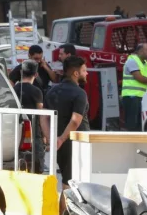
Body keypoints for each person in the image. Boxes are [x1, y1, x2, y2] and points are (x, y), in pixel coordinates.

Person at [45, 56, 90, 188]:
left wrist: (52, 140)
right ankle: (64, 209)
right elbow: (75, 121)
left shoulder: (51, 91)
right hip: (76, 143)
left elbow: (44, 117)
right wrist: (61, 139)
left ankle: (65, 209)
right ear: (76, 73)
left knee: (67, 178)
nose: (86, 73)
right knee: (70, 184)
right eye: (84, 70)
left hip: (61, 144)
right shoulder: (79, 93)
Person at [13, 59, 47, 173]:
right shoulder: (37, 91)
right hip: (34, 133)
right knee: (36, 167)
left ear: (21, 72)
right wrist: (44, 135)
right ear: (36, 74)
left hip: (16, 132)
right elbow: (41, 114)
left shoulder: (13, 90)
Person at [121, 43, 147, 132]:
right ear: (140, 51)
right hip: (131, 97)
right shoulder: (132, 61)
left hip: (141, 97)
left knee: (139, 125)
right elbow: (139, 78)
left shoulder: (146, 64)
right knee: (132, 125)